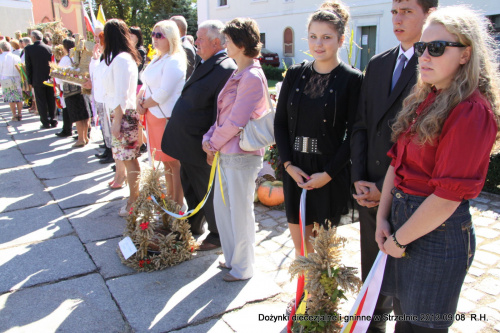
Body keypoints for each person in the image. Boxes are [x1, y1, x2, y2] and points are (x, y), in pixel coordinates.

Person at [376, 6, 499, 332]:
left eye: (437, 47)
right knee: (403, 321)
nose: (425, 55)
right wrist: (381, 218)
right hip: (403, 221)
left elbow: (446, 197)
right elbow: (396, 164)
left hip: (437, 233)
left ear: (465, 54)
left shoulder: (471, 110)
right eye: (422, 47)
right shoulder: (426, 97)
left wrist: (400, 240)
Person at [350, 0, 437, 331]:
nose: (397, 19)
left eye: (407, 11)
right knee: (372, 276)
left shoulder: (433, 65)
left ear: (429, 14)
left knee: (405, 290)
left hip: (407, 195)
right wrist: (359, 179)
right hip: (368, 189)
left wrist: (386, 190)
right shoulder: (378, 62)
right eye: (394, 11)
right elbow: (360, 125)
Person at [274, 1, 362, 257]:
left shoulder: (352, 80)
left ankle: (318, 297)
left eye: (326, 37)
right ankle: (303, 296)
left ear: (340, 39)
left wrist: (328, 174)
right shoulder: (294, 74)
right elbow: (280, 123)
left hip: (329, 173)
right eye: (313, 36)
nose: (318, 44)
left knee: (321, 251)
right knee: (301, 246)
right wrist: (288, 165)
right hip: (295, 170)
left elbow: (355, 133)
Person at [202, 18, 268, 282]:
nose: (225, 43)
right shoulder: (239, 72)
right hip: (226, 152)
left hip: (241, 155)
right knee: (223, 209)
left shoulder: (252, 75)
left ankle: (243, 268)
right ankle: (232, 259)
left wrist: (212, 143)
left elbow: (237, 120)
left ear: (241, 44)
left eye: (228, 40)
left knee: (240, 213)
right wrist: (209, 138)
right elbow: (222, 115)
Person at [162, 20, 237, 250]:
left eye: (201, 39)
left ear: (216, 43)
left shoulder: (225, 67)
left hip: (201, 144)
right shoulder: (207, 61)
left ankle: (217, 234)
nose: (196, 43)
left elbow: (220, 112)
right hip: (188, 143)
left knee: (208, 189)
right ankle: (193, 225)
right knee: (191, 185)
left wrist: (213, 146)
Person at [137, 20, 186, 207]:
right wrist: (140, 101)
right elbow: (147, 85)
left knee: (174, 163)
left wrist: (144, 104)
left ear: (171, 37)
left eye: (160, 35)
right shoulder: (159, 58)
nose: (154, 38)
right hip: (154, 115)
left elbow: (164, 92)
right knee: (165, 163)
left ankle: (178, 204)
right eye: (153, 34)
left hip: (166, 117)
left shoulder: (174, 60)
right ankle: (170, 202)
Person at [102, 19, 142, 216]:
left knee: (130, 160)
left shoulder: (122, 59)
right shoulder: (123, 58)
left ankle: (134, 201)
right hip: (123, 114)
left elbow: (121, 94)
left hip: (124, 115)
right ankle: (133, 199)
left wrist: (117, 122)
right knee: (128, 159)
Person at [57, 38, 91, 148]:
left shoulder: (65, 59)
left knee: (77, 116)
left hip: (71, 90)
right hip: (82, 87)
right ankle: (85, 137)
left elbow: (59, 78)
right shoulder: (81, 56)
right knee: (84, 114)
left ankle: (81, 139)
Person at [24, 30, 57, 129]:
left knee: (41, 101)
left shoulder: (29, 49)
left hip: (37, 78)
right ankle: (53, 119)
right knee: (51, 99)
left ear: (33, 38)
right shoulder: (49, 48)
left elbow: (28, 66)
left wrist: (29, 81)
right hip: (49, 78)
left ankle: (45, 122)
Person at [0, 41, 23, 121]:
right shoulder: (16, 56)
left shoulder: (1, 57)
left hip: (5, 78)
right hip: (17, 77)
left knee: (11, 97)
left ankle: (14, 114)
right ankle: (20, 113)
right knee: (19, 96)